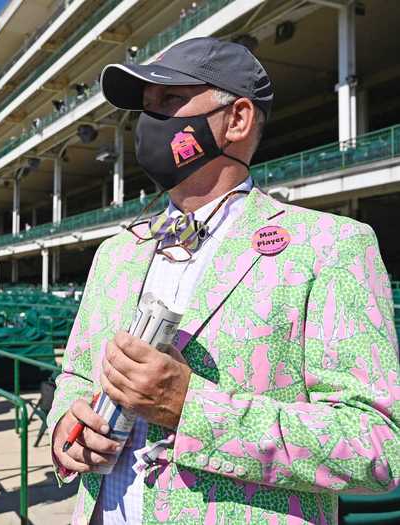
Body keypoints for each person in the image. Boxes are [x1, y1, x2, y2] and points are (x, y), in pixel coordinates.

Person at [48, 37, 400, 525]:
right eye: (146, 109)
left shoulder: (330, 245)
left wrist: (189, 406)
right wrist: (66, 427)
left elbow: (378, 446)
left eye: (169, 102)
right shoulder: (115, 253)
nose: (150, 123)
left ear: (236, 119)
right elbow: (76, 378)